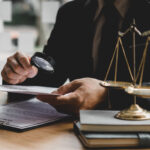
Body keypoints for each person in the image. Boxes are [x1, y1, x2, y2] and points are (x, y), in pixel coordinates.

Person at [2, 0, 150, 115]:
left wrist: (108, 95)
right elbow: (52, 74)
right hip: (72, 131)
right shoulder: (72, 12)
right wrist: (21, 74)